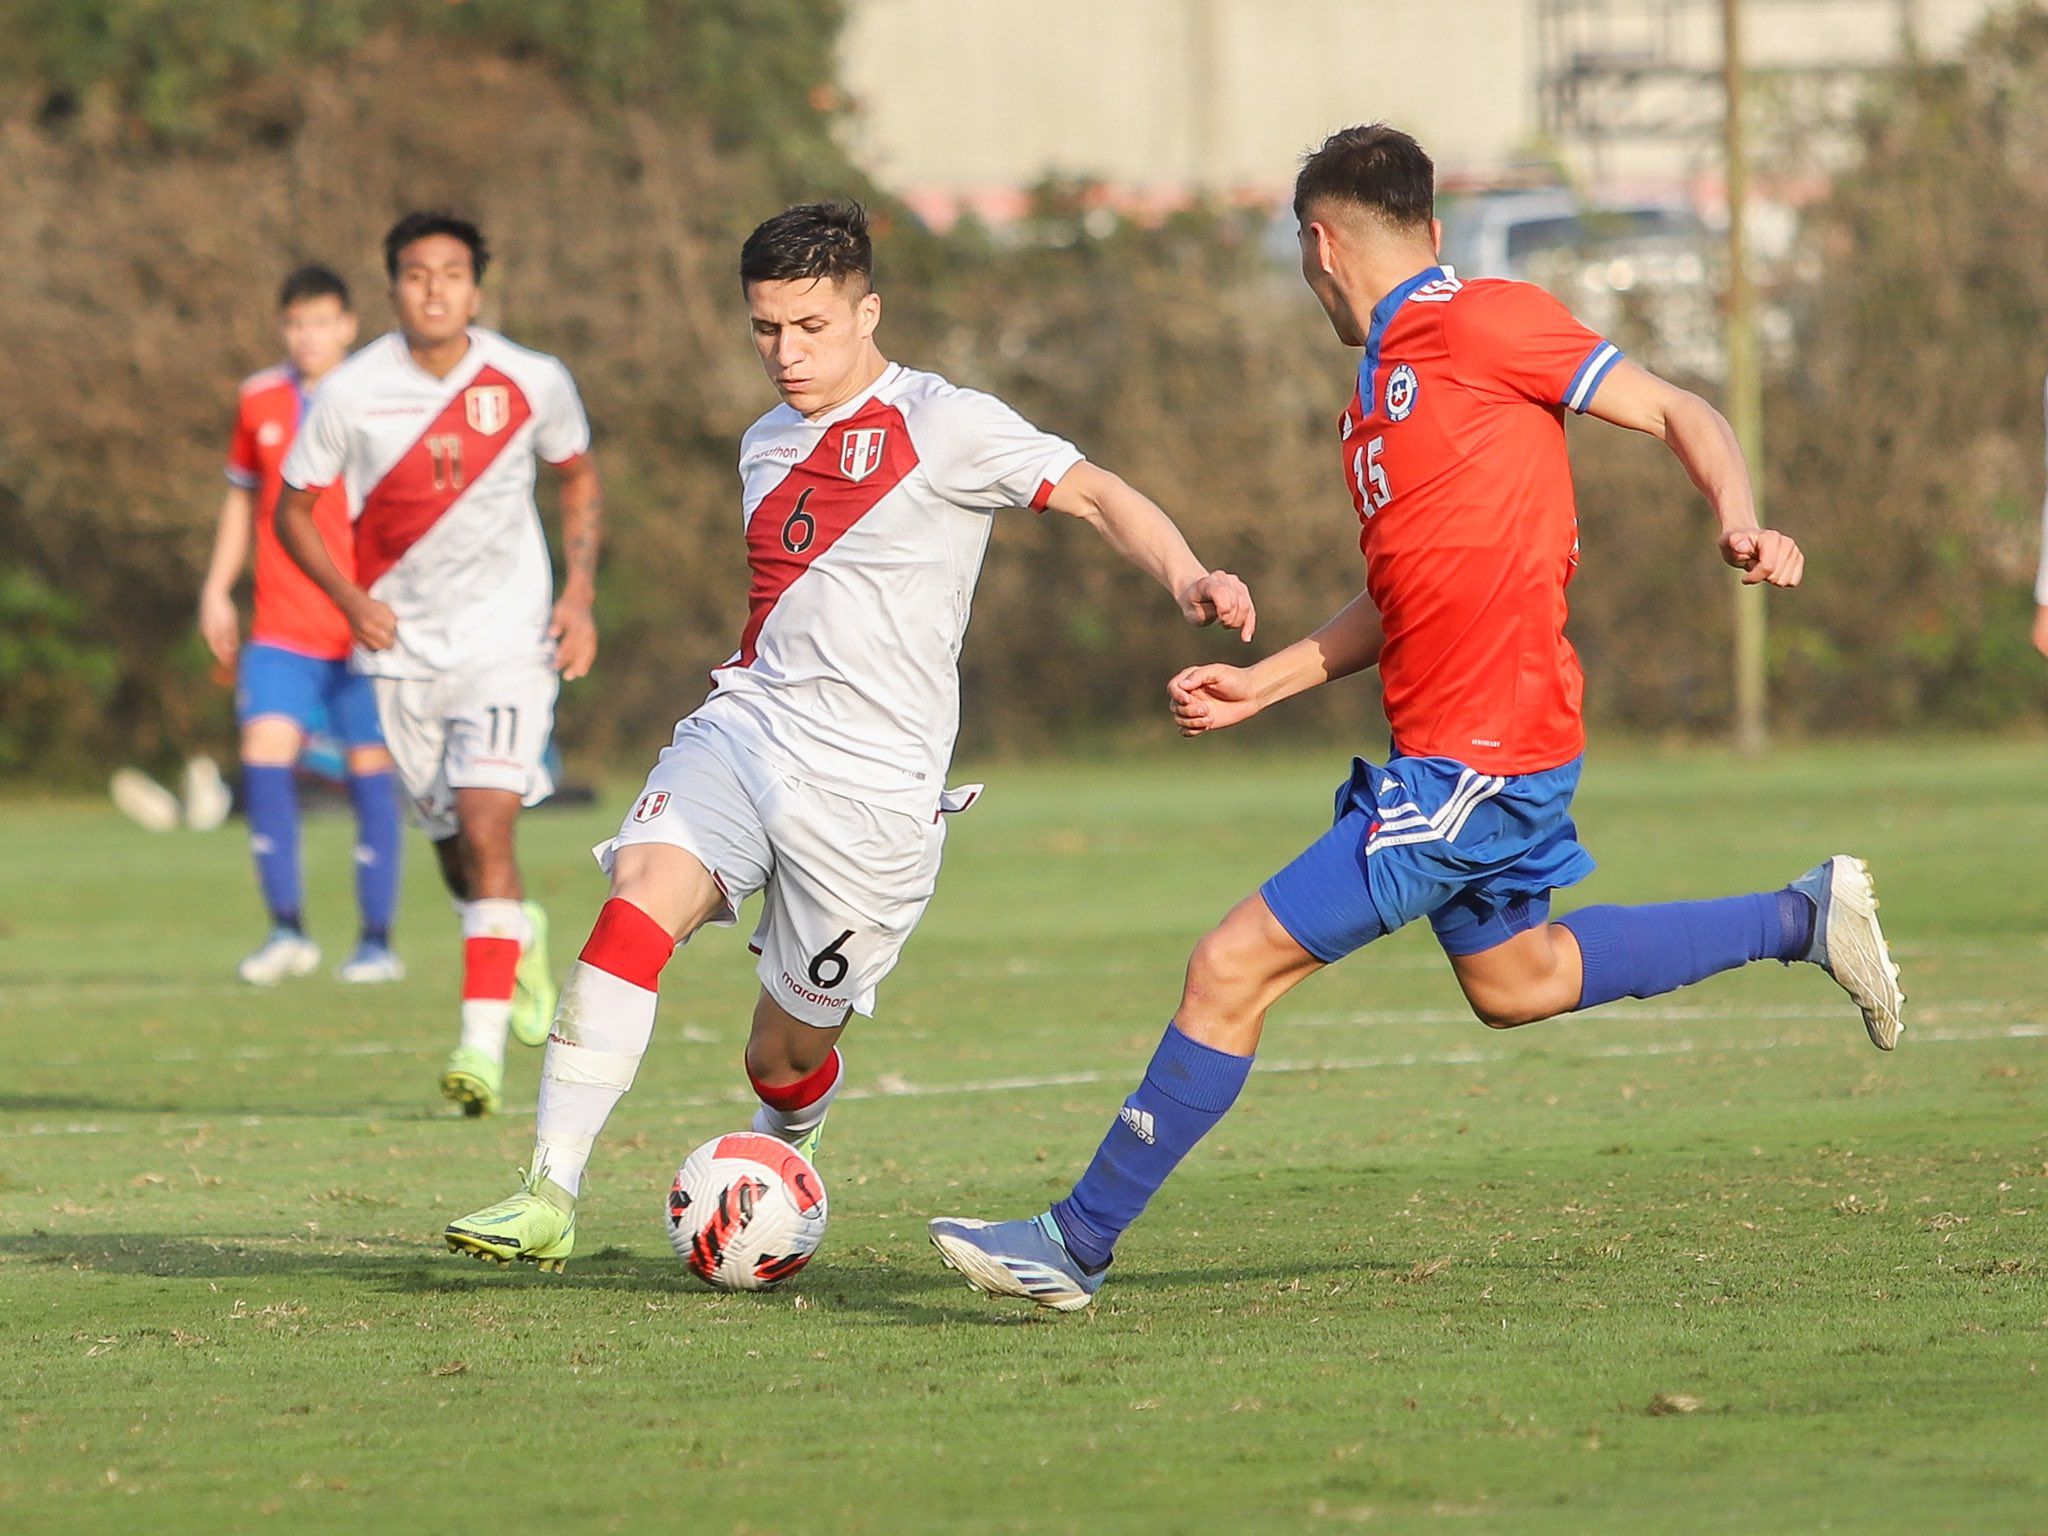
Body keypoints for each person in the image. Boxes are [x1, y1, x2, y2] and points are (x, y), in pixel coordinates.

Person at [928, 124, 1906, 1312]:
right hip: (1476, 755)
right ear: (1424, 227)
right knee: (1519, 981)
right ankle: (1800, 916)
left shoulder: (1483, 320)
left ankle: (1073, 1241)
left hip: (1475, 761)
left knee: (1228, 964)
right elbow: (1401, 597)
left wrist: (1740, 517)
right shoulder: (1376, 401)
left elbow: (1679, 410)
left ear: (1316, 245)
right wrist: (1265, 682)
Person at [441, 199, 1255, 1271]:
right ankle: (548, 1189)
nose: (785, 354)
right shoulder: (764, 442)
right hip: (746, 730)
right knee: (635, 903)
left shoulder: (945, 424)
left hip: (871, 800)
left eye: (810, 328)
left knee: (778, 1059)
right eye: (765, 331)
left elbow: (1097, 494)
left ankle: (787, 1147)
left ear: (867, 311)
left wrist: (1187, 573)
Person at [273, 212, 602, 1116]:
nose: (434, 289)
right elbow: (292, 510)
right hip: (403, 656)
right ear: (393, 290)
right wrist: (350, 603)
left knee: (491, 824)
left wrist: (576, 597)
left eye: (452, 273)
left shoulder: (531, 379)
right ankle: (518, 935)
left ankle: (479, 1049)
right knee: (457, 852)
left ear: (477, 287)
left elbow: (576, 474)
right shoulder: (348, 392)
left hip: (509, 644)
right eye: (417, 274)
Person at [197, 265, 404, 985]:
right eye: (295, 324)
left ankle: (376, 941)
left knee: (370, 770)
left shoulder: (381, 397)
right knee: (264, 755)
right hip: (281, 625)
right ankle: (286, 929)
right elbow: (240, 502)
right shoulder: (258, 399)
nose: (308, 336)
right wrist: (218, 588)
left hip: (361, 624)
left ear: (347, 325)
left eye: (321, 322)